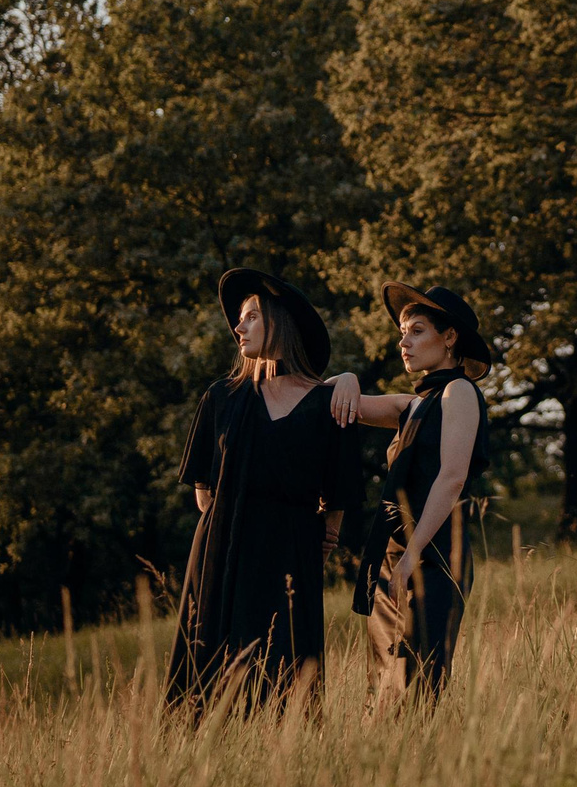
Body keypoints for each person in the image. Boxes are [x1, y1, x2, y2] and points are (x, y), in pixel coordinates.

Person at [164, 268, 366, 717]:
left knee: (284, 673)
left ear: (281, 321)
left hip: (291, 556)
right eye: (240, 319)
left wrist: (320, 543)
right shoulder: (221, 397)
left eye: (252, 317)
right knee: (210, 677)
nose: (239, 328)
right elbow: (203, 492)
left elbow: (339, 496)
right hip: (222, 553)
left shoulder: (328, 403)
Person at [326, 283, 495, 703]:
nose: (404, 343)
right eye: (403, 333)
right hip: (393, 558)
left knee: (419, 685)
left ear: (449, 337)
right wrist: (346, 377)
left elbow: (451, 478)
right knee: (385, 688)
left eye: (417, 331)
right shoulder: (412, 405)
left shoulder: (459, 393)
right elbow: (333, 401)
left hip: (432, 557)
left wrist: (410, 558)